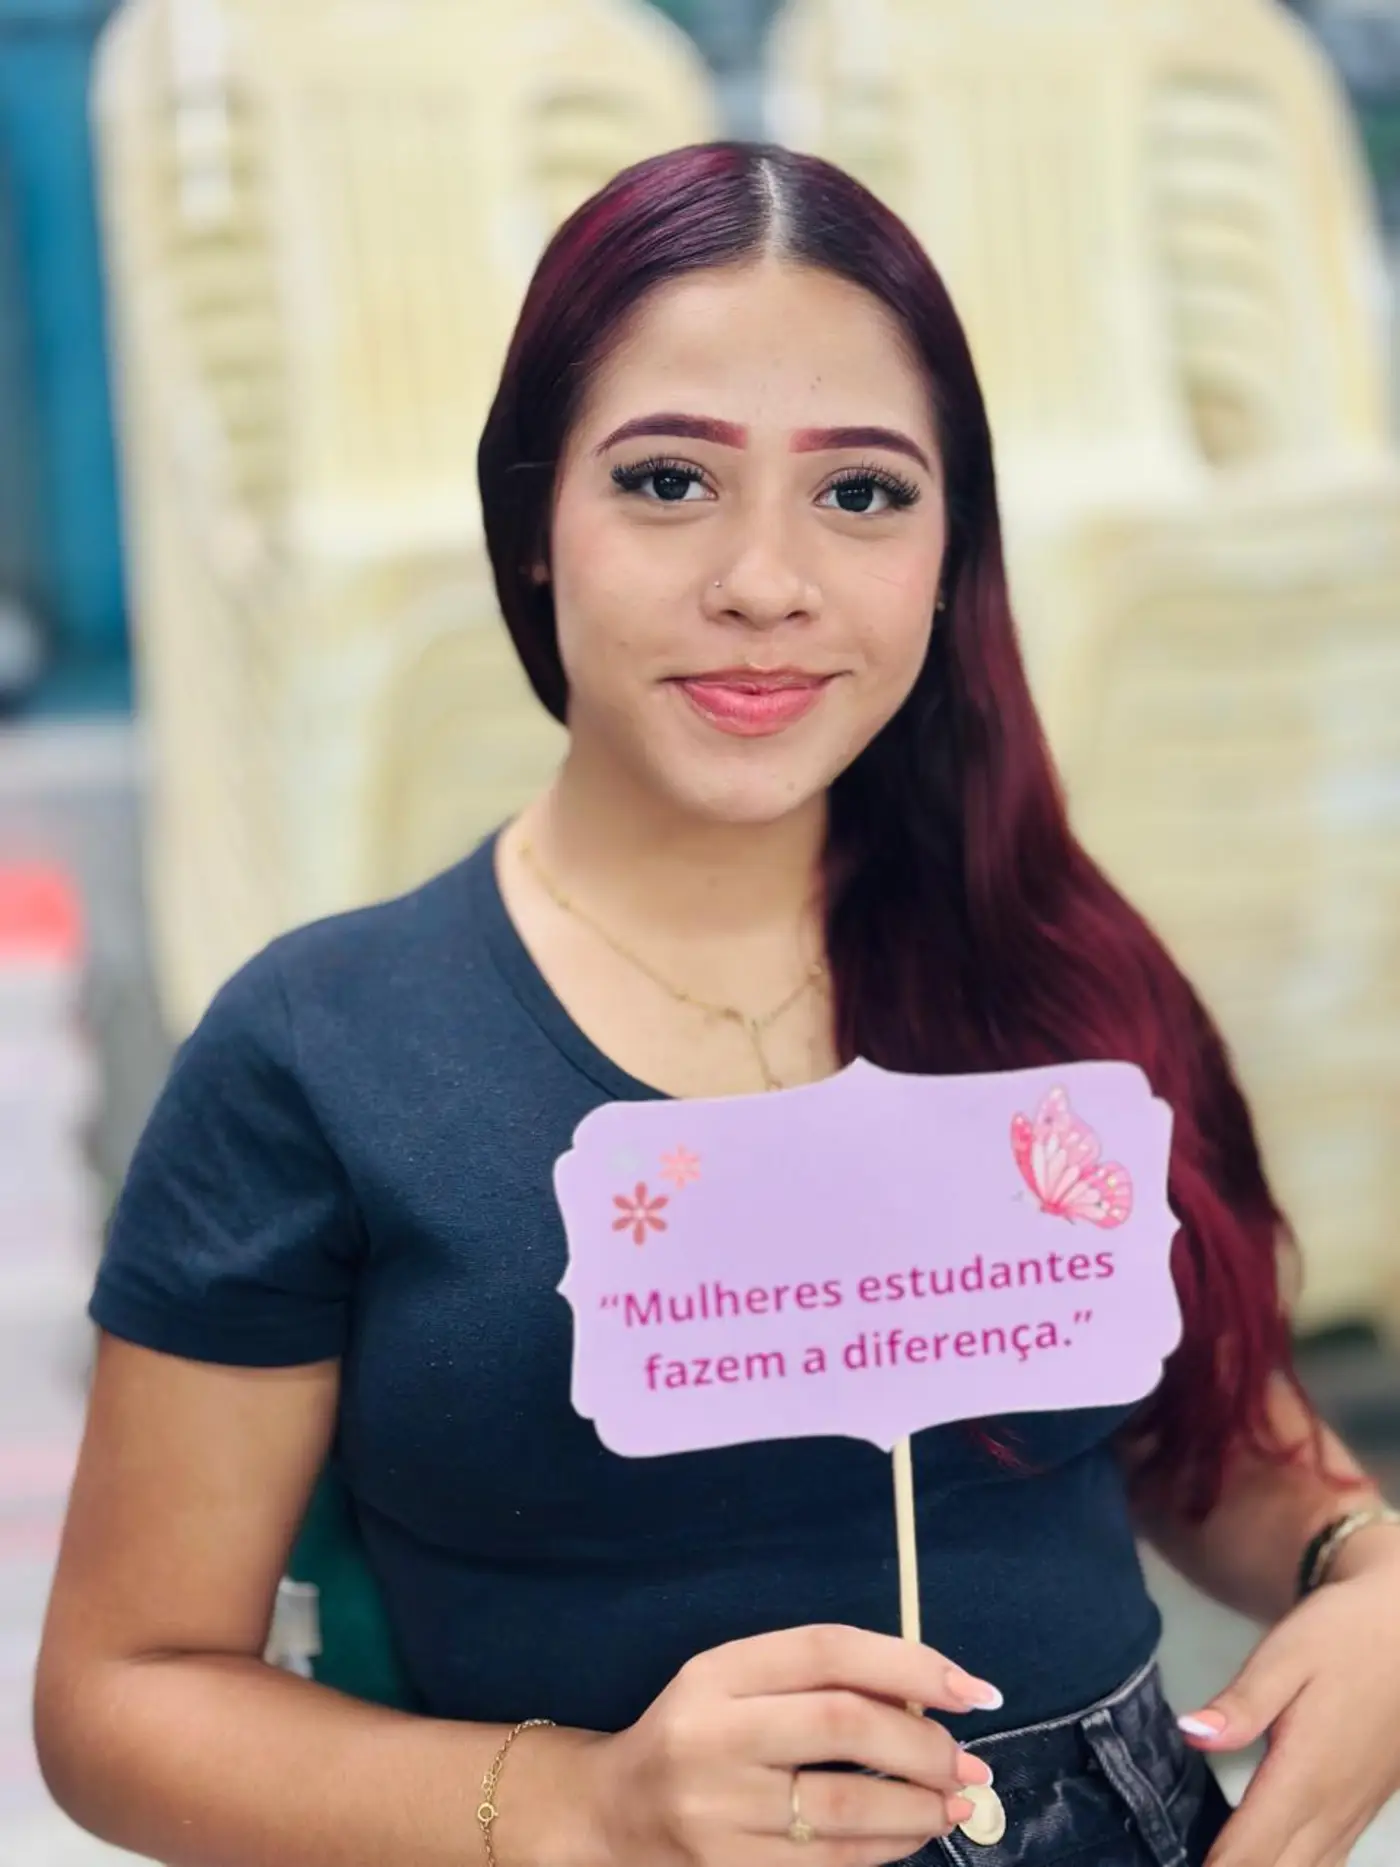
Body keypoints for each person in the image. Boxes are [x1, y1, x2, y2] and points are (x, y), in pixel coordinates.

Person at [34, 141, 1400, 1867]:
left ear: (949, 553)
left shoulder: (1055, 964)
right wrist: (581, 1803)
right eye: (669, 480)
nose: (767, 580)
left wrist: (1369, 1572)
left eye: (862, 493)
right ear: (533, 524)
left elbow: (1213, 1436)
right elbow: (122, 1691)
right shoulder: (318, 1054)